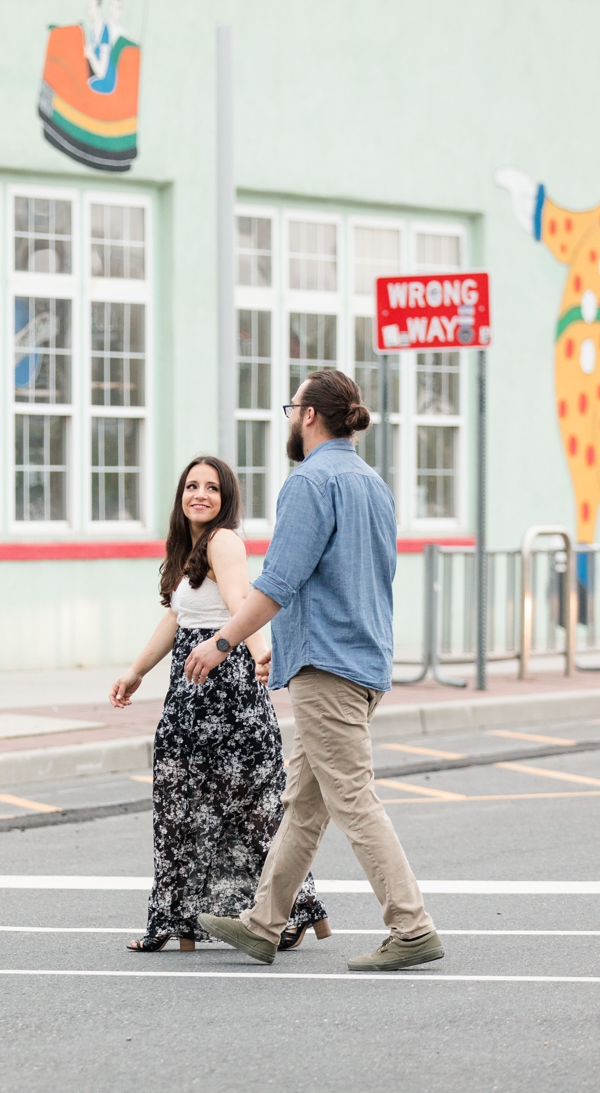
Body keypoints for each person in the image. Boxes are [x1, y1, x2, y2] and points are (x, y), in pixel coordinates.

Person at [194, 369, 445, 972]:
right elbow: (359, 579)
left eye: (291, 407)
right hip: (360, 659)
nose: (288, 417)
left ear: (309, 416)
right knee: (305, 803)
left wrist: (223, 642)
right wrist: (296, 635)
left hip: (328, 668)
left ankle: (411, 927)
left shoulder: (310, 482)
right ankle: (263, 924)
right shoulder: (370, 483)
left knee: (352, 797)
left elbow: (278, 582)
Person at [111, 455, 330, 953]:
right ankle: (180, 917)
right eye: (192, 486)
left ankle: (286, 912)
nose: (200, 494)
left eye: (212, 487)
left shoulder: (223, 540)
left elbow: (240, 599)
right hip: (189, 695)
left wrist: (260, 656)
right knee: (182, 807)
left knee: (248, 810)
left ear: (226, 497)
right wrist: (135, 671)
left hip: (227, 693)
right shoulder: (186, 547)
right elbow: (177, 619)